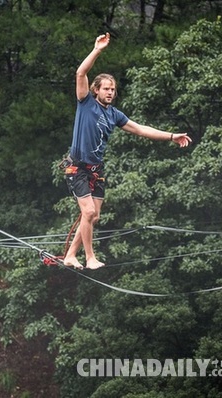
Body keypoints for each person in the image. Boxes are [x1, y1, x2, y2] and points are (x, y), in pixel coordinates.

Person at [62, 33, 191, 270]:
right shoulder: (85, 102)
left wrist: (172, 136)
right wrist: (97, 50)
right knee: (88, 212)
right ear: (96, 90)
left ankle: (71, 254)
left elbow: (141, 129)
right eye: (106, 89)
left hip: (96, 170)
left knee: (94, 216)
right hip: (77, 167)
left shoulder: (114, 115)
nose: (110, 92)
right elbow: (80, 73)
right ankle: (90, 258)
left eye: (113, 89)